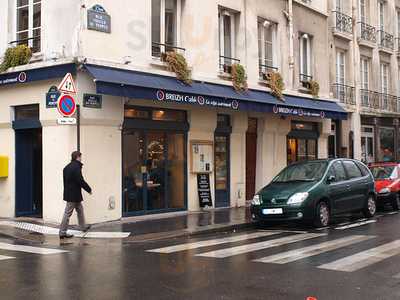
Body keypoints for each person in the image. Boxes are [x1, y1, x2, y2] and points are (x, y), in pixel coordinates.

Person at [59, 151, 92, 239]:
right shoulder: (76, 167)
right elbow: (80, 180)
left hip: (71, 193)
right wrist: (88, 189)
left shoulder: (66, 167)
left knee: (80, 209)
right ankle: (62, 232)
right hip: (73, 195)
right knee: (67, 213)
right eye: (81, 157)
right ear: (77, 157)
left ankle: (83, 226)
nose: (81, 158)